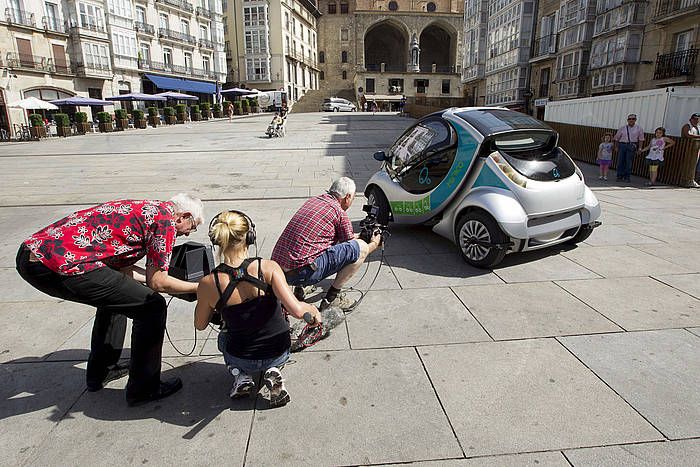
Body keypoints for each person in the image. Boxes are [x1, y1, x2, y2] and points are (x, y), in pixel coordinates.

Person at [16, 194, 204, 406]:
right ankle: (144, 388)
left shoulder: (146, 208)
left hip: (32, 254)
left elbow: (122, 270)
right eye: (192, 226)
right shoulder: (165, 222)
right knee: (151, 306)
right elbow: (158, 283)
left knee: (120, 296)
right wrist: (201, 288)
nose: (188, 232)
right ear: (184, 216)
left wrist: (172, 282)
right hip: (53, 264)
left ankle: (103, 370)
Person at [194, 211, 321, 407]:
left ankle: (240, 374)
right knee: (278, 335)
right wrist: (312, 311)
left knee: (223, 338)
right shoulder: (268, 267)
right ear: (250, 237)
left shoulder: (209, 283)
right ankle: (274, 370)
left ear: (217, 241)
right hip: (278, 351)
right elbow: (296, 310)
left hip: (242, 356)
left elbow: (200, 324)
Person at [271, 177, 381, 312]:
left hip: (277, 270)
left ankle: (301, 289)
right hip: (300, 273)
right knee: (361, 249)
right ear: (347, 197)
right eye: (352, 199)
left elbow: (338, 239)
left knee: (315, 242)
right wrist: (374, 244)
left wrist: (359, 236)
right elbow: (351, 247)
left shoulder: (314, 201)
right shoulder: (340, 213)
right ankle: (332, 298)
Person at [613, 113, 645, 182]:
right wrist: (616, 146)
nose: (631, 120)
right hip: (622, 145)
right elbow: (616, 138)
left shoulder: (639, 128)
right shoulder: (622, 128)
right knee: (620, 161)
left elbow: (641, 139)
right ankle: (619, 176)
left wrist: (640, 148)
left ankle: (627, 177)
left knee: (629, 162)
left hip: (631, 145)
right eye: (629, 119)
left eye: (633, 119)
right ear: (627, 120)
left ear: (635, 120)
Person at [681, 113, 700, 188]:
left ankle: (691, 180)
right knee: (687, 165)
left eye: (697, 119)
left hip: (696, 150)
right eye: (694, 119)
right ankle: (685, 181)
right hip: (687, 150)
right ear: (690, 119)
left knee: (693, 165)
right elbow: (688, 135)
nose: (696, 121)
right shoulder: (687, 126)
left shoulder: (698, 127)